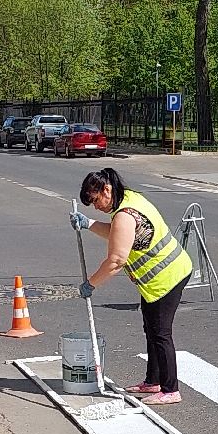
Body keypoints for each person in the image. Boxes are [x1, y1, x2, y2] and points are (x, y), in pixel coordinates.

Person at [72, 167, 192, 405]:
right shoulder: (128, 199)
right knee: (152, 329)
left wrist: (90, 284)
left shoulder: (125, 214)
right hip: (161, 278)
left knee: (161, 333)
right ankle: (154, 381)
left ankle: (170, 390)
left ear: (106, 189)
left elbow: (116, 260)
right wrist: (89, 224)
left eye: (96, 201)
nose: (96, 206)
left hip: (167, 278)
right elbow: (117, 233)